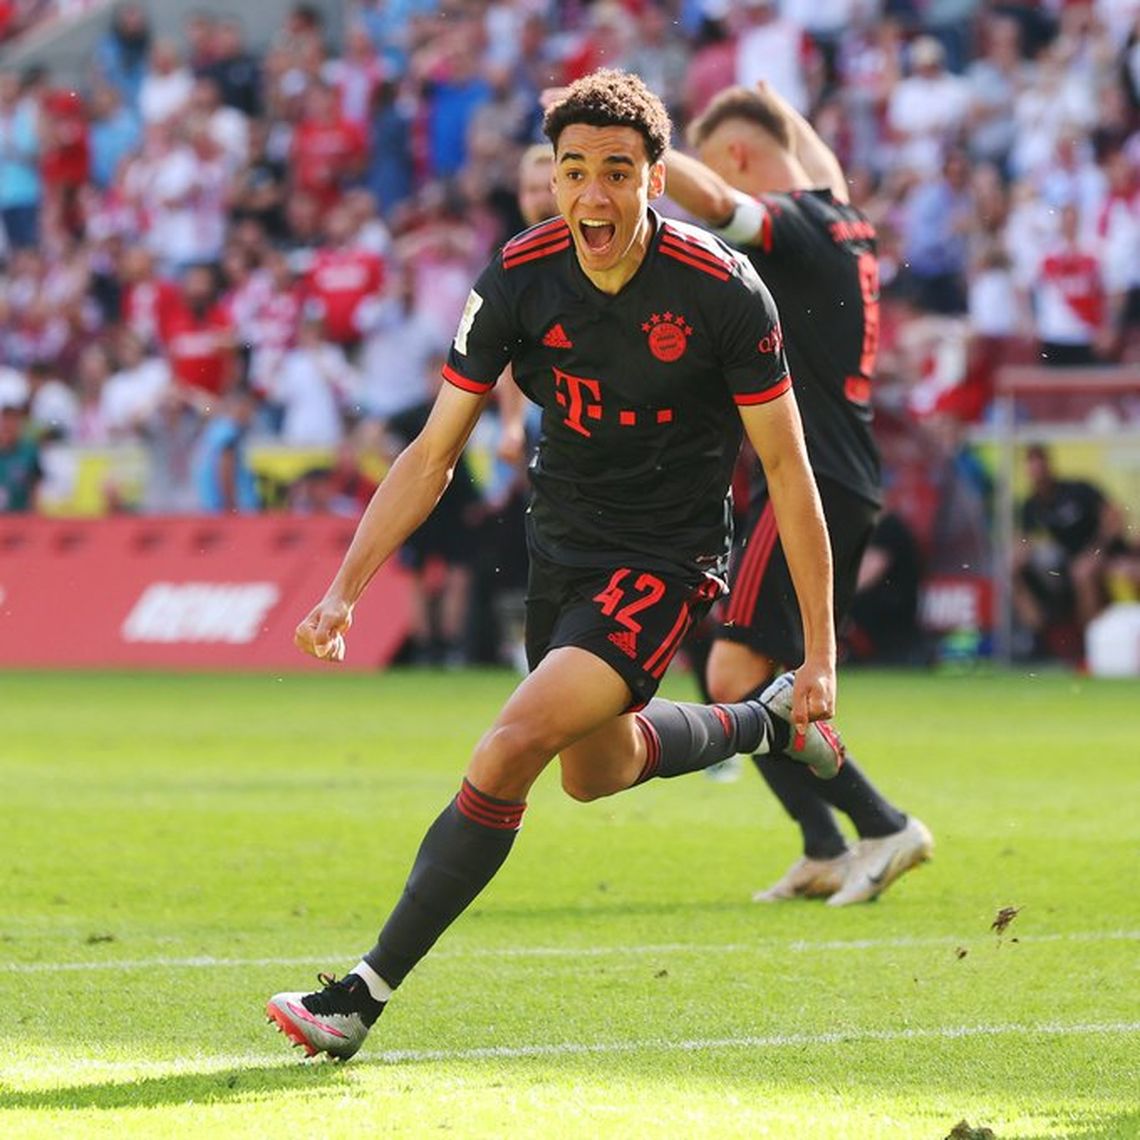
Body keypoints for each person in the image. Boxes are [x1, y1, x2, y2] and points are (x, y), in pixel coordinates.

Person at [267, 69, 844, 1061]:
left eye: (615, 173)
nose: (590, 196)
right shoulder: (517, 279)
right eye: (573, 171)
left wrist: (825, 651)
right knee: (597, 771)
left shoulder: (722, 293)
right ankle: (766, 721)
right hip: (560, 545)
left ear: (657, 178)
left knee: (509, 745)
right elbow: (434, 451)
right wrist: (344, 588)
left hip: (664, 558)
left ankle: (358, 996)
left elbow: (789, 474)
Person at [662, 83, 932, 906]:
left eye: (724, 161)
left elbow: (711, 195)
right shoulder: (844, 218)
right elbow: (812, 156)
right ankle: (823, 845)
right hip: (848, 478)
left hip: (802, 481)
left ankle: (884, 826)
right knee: (769, 679)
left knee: (732, 676)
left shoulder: (793, 226)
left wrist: (623, 138)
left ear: (739, 157)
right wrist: (771, 103)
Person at [1013, 444, 1132, 660]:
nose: (1037, 472)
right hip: (1068, 565)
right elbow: (1024, 539)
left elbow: (1115, 517)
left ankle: (1092, 646)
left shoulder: (1078, 490)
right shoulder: (1031, 505)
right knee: (1014, 570)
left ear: (1049, 466)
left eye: (1040, 464)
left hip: (1106, 554)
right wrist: (1018, 553)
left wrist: (1096, 551)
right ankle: (1037, 639)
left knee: (1083, 573)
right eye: (1032, 466)